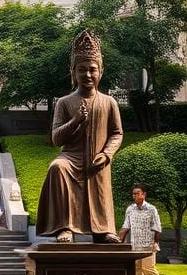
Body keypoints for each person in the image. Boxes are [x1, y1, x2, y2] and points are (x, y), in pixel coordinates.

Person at [36, 30, 123, 243]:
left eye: (92, 70)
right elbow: (56, 138)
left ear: (100, 72)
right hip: (71, 157)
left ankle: (103, 230)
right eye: (82, 70)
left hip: (97, 157)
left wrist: (106, 154)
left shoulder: (108, 102)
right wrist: (75, 121)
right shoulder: (64, 102)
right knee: (57, 168)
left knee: (99, 176)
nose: (88, 75)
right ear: (74, 73)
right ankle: (64, 227)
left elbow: (117, 133)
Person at [119, 184, 168, 275]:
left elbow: (157, 227)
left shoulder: (152, 209)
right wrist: (120, 241)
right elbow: (126, 227)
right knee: (137, 270)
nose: (134, 195)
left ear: (144, 194)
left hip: (148, 245)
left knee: (148, 268)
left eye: (137, 193)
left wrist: (155, 242)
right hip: (135, 245)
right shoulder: (130, 209)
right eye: (133, 194)